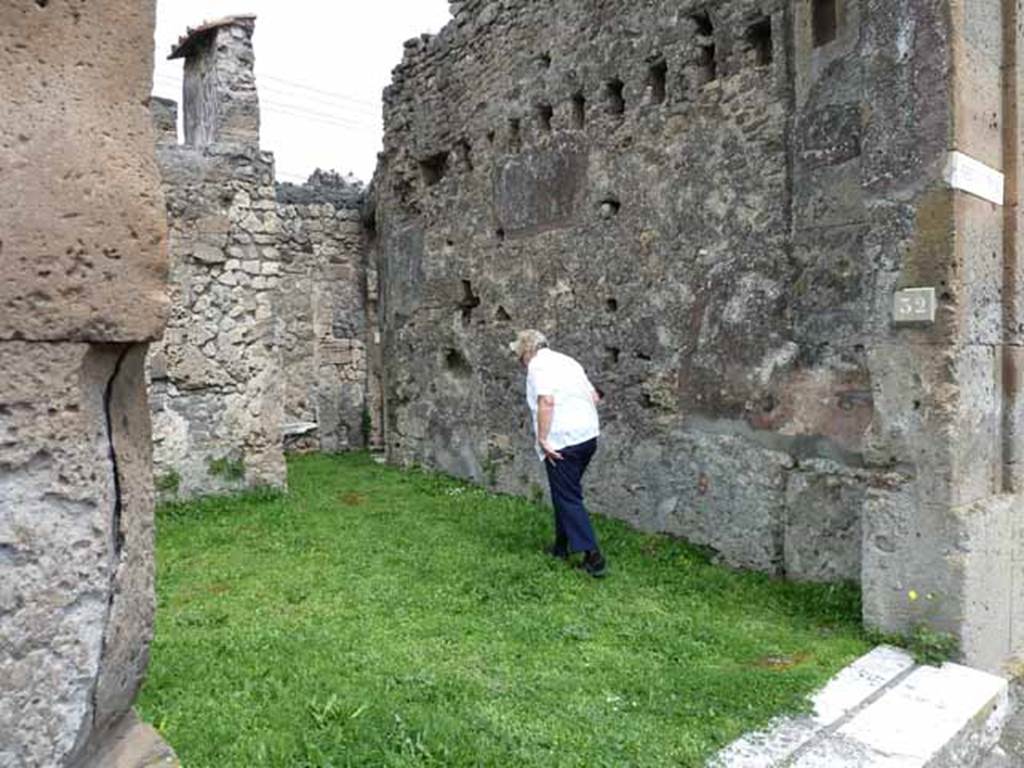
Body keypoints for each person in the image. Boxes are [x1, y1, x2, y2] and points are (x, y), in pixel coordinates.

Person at [509, 329, 607, 577]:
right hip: (588, 436)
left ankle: (593, 556)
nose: (521, 363)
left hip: (562, 442)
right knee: (564, 493)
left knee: (568, 497)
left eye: (520, 357)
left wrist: (543, 439)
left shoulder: (537, 366)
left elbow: (547, 401)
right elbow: (594, 397)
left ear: (527, 351)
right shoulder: (568, 361)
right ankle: (561, 548)